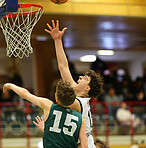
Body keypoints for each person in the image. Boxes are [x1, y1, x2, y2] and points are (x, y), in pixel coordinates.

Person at [45, 20, 104, 148]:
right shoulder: (77, 98)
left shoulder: (80, 103)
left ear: (87, 88)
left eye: (85, 78)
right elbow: (63, 67)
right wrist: (57, 40)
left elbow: (58, 100)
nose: (81, 76)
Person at [3, 80, 88, 148]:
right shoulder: (80, 118)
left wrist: (10, 85)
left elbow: (24, 94)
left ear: (56, 97)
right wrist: (46, 130)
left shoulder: (49, 106)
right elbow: (84, 146)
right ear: (73, 100)